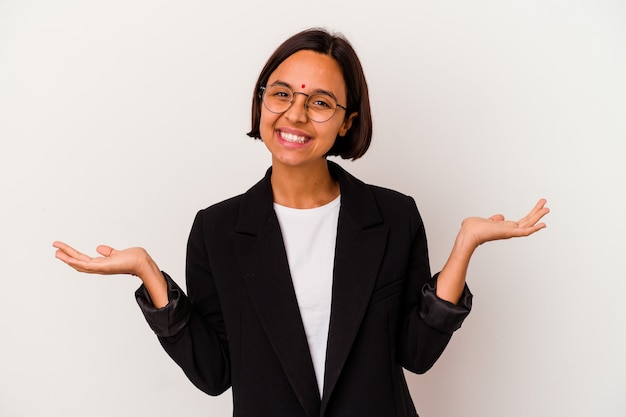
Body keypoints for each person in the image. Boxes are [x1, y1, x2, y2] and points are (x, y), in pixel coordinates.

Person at [53, 27, 549, 417]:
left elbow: (415, 355)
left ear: (347, 122)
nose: (295, 116)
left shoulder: (394, 216)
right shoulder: (217, 230)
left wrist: (464, 247)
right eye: (281, 94)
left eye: (319, 103)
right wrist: (148, 274)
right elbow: (214, 373)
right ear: (262, 100)